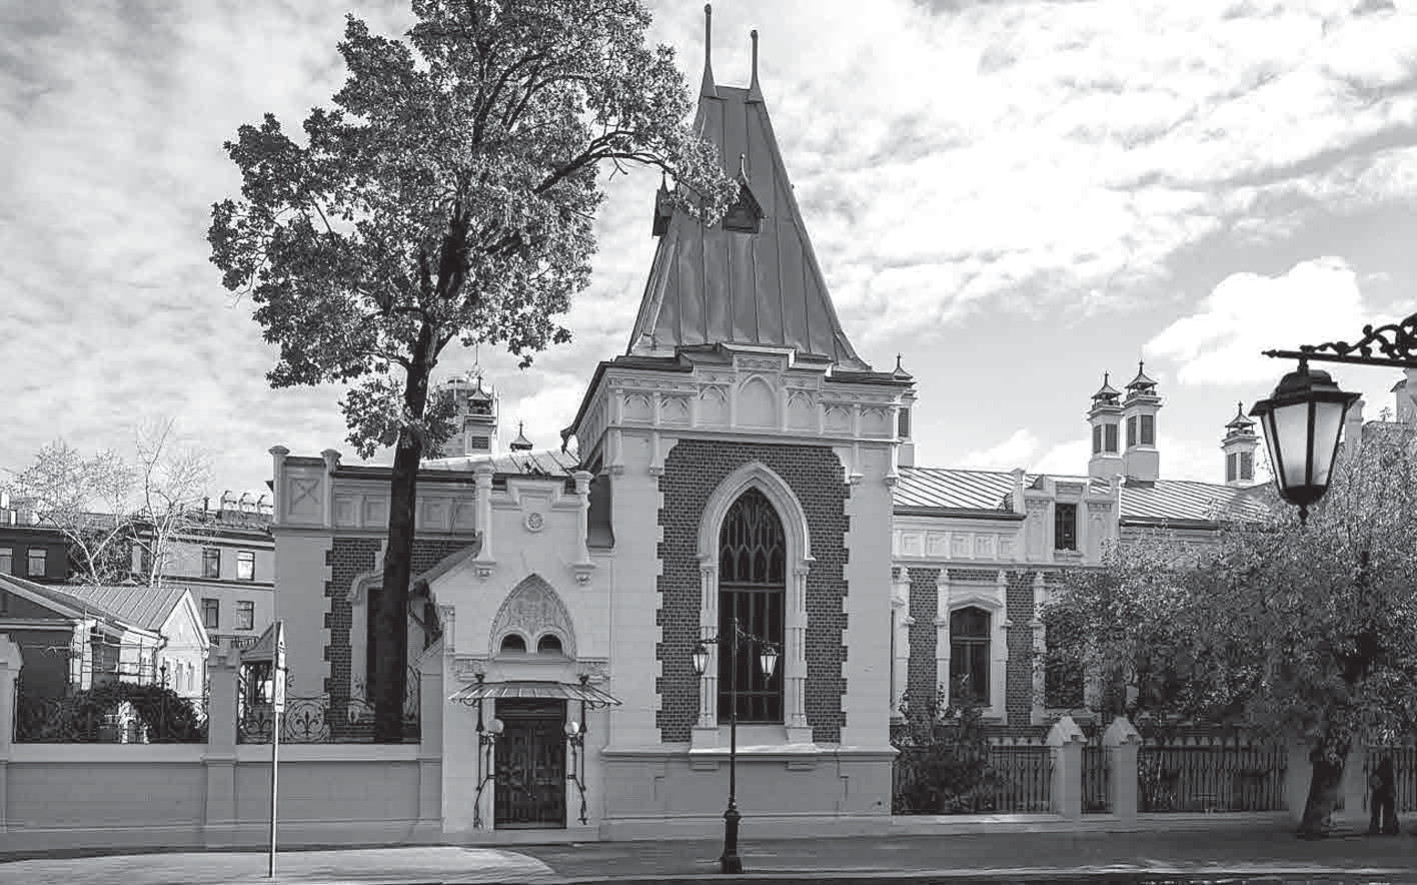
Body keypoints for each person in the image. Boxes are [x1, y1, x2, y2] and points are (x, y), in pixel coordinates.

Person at [1369, 755, 1399, 836]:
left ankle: (1376, 827)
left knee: (1377, 812)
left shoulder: (1377, 772)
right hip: (1386, 794)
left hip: (1378, 794)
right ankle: (1389, 827)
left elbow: (1372, 783)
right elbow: (1391, 786)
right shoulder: (1389, 772)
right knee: (1389, 811)